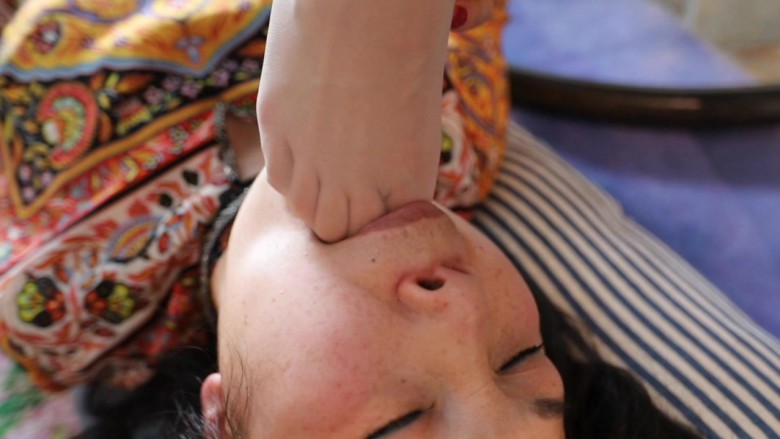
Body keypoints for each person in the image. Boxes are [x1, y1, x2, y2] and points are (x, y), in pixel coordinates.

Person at [0, 0, 702, 438]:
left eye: (401, 420)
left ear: (224, 422)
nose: (459, 306)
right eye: (519, 359)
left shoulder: (55, 298)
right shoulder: (458, 125)